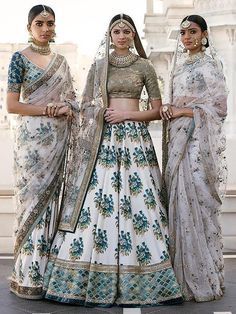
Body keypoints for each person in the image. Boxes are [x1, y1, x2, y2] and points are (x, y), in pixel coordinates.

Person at [42, 13, 183, 307]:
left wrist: (126, 115)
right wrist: (69, 108)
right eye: (116, 31)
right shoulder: (98, 66)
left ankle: (144, 274)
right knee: (99, 201)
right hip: (103, 141)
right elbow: (86, 105)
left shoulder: (144, 65)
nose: (121, 35)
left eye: (126, 31)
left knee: (139, 201)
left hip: (135, 140)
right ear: (109, 35)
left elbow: (157, 111)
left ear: (133, 35)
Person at [7, 5, 76, 299]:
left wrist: (66, 107)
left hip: (58, 139)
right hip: (32, 142)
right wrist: (45, 109)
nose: (46, 28)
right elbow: (12, 105)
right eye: (39, 23)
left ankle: (51, 274)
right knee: (31, 200)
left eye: (50, 23)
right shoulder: (18, 59)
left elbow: (72, 99)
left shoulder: (61, 61)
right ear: (29, 28)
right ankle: (28, 274)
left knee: (55, 202)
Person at [160, 15, 228, 302]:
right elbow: (172, 102)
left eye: (192, 32)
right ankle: (180, 276)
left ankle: (204, 275)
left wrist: (184, 112)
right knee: (177, 199)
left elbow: (219, 109)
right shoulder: (176, 68)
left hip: (198, 142)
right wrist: (167, 109)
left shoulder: (211, 65)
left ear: (204, 34)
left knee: (199, 200)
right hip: (177, 138)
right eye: (183, 32)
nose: (187, 37)